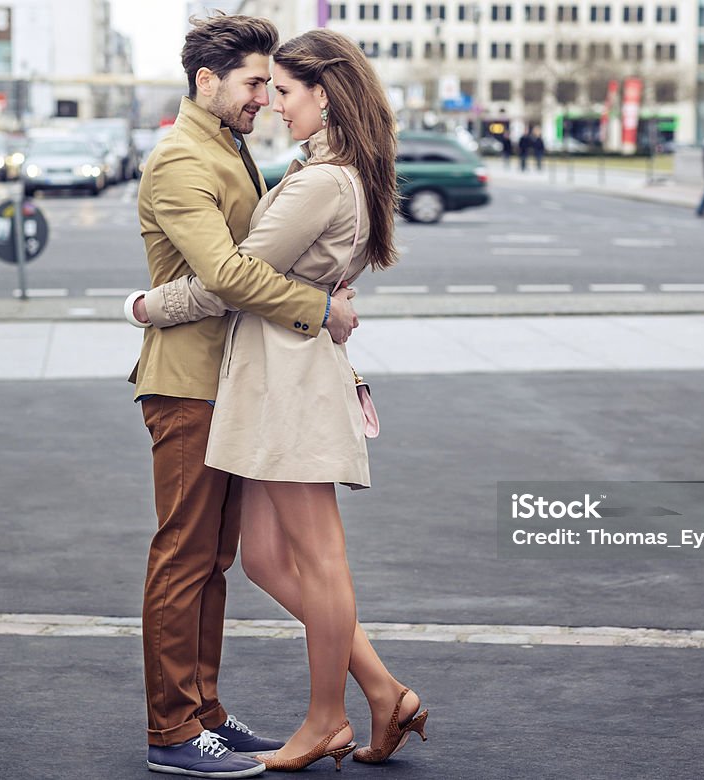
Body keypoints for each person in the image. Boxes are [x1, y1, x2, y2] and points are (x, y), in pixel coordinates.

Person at [131, 27, 428, 774]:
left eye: (277, 88)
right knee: (192, 556)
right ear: (207, 81)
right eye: (255, 86)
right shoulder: (183, 159)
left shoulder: (251, 156)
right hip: (195, 380)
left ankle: (210, 713)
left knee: (228, 559)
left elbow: (261, 264)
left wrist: (319, 299)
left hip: (256, 383)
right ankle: (176, 729)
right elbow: (231, 276)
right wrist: (316, 306)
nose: (265, 101)